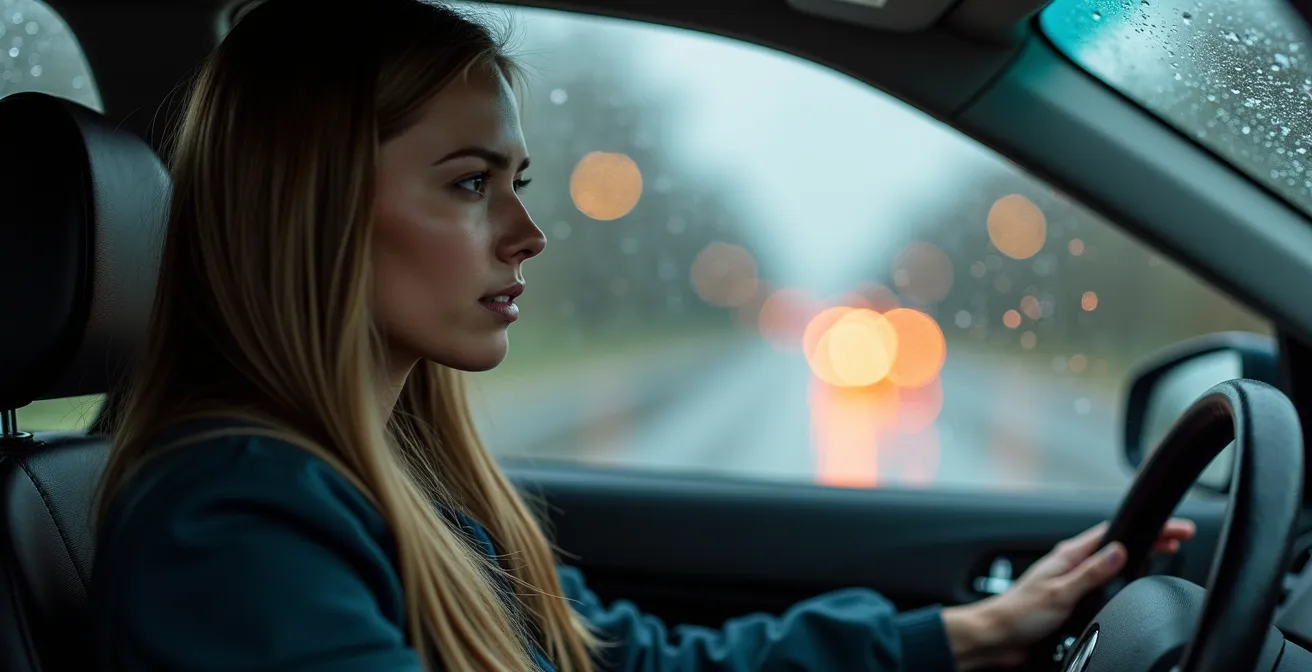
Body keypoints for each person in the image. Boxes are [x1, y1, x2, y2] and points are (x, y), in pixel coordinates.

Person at [87, 1, 1196, 670]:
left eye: (519, 184)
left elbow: (620, 657)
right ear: (314, 207)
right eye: (471, 183)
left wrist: (974, 632)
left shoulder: (397, 479)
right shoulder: (231, 523)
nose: (528, 234)